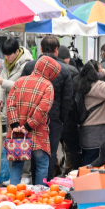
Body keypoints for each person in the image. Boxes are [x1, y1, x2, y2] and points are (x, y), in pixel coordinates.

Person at [21, 36, 73, 180]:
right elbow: (67, 98)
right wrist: (61, 119)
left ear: (41, 49)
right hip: (53, 119)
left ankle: (34, 184)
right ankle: (46, 185)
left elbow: (22, 90)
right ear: (57, 50)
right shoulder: (64, 69)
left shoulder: (29, 66)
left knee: (32, 151)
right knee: (50, 152)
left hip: (31, 118)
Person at [7, 57, 60, 186]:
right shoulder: (47, 86)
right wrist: (28, 126)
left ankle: (12, 195)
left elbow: (10, 104)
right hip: (38, 134)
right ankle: (39, 196)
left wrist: (15, 125)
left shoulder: (19, 81)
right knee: (42, 165)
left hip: (18, 133)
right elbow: (42, 110)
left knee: (16, 165)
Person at [58, 46, 81, 172]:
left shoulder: (48, 68)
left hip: (52, 114)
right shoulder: (73, 70)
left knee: (51, 146)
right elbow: (77, 95)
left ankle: (54, 171)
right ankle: (71, 172)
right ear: (67, 59)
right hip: (69, 115)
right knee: (72, 147)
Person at [0, 38, 33, 110]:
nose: (6, 57)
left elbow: (24, 87)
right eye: (5, 54)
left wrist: (3, 82)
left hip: (19, 108)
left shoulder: (27, 65)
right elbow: (1, 83)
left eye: (9, 55)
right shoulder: (6, 63)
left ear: (17, 51)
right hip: (6, 107)